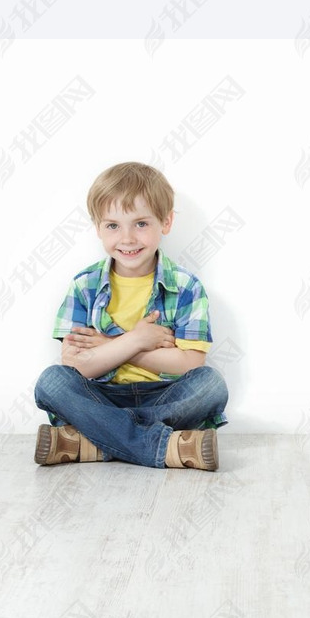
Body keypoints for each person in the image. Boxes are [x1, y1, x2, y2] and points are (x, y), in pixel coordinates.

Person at [33, 161, 229, 470]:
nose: (127, 238)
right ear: (98, 228)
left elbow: (190, 363)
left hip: (163, 396)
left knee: (211, 385)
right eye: (112, 225)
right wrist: (136, 340)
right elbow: (76, 365)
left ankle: (94, 440)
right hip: (101, 395)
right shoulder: (85, 285)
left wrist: (108, 346)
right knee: (53, 382)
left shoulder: (185, 286)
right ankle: (161, 445)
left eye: (140, 223)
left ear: (166, 222)